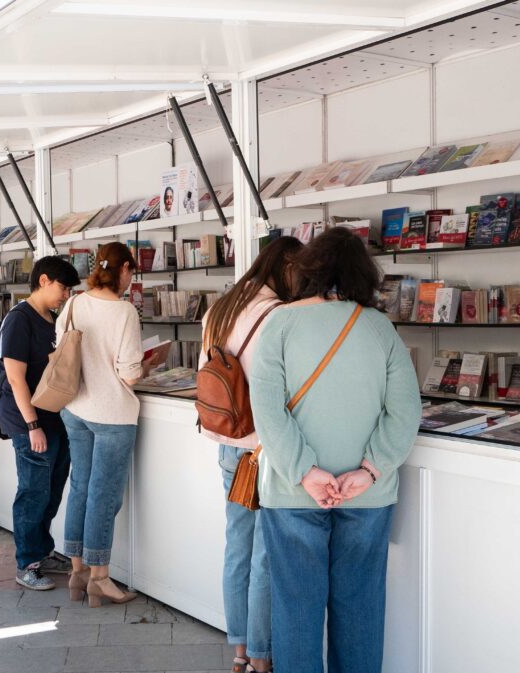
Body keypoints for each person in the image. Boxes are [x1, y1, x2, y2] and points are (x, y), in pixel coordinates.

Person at [249, 227, 422, 673]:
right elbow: (404, 412)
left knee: (296, 608)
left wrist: (305, 471)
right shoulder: (380, 327)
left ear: (309, 267)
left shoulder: (280, 323)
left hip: (292, 490)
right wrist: (368, 471)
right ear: (362, 272)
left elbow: (266, 410)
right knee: (361, 605)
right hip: (365, 492)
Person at [198, 236, 302, 673]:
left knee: (237, 548)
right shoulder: (279, 314)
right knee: (264, 555)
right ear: (288, 267)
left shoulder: (219, 309)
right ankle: (262, 657)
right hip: (265, 448)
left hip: (227, 442)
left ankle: (239, 651)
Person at [59, 242, 164, 608]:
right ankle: (100, 579)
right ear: (123, 270)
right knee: (103, 497)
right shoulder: (124, 313)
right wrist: (150, 364)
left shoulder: (73, 304)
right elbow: (130, 374)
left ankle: (77, 571)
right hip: (112, 415)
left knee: (80, 489)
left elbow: (61, 351)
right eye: (131, 271)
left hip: (74, 408)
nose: (131, 277)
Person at [0, 256, 81, 591]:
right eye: (63, 287)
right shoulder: (19, 320)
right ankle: (26, 562)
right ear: (44, 280)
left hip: (55, 417)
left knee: (52, 490)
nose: (66, 294)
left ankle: (42, 550)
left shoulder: (54, 319)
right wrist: (32, 426)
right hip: (28, 420)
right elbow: (16, 379)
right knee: (33, 491)